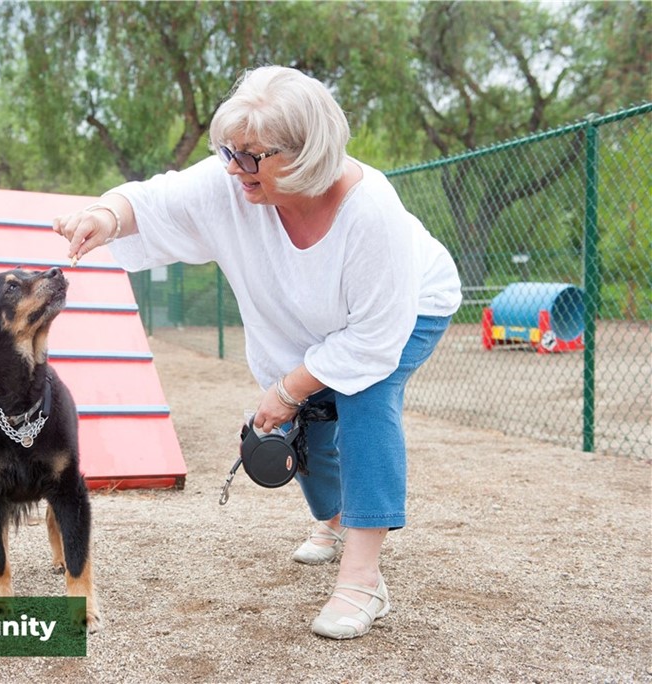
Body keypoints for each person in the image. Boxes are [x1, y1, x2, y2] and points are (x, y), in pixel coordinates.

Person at [53, 65, 461, 640]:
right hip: (312, 319)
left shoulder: (372, 213)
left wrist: (289, 388)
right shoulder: (234, 181)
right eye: (227, 150)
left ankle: (364, 579)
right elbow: (155, 199)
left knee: (364, 397)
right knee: (306, 426)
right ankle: (333, 522)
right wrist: (103, 215)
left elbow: (371, 340)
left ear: (305, 154)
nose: (232, 168)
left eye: (251, 156)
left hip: (405, 308)